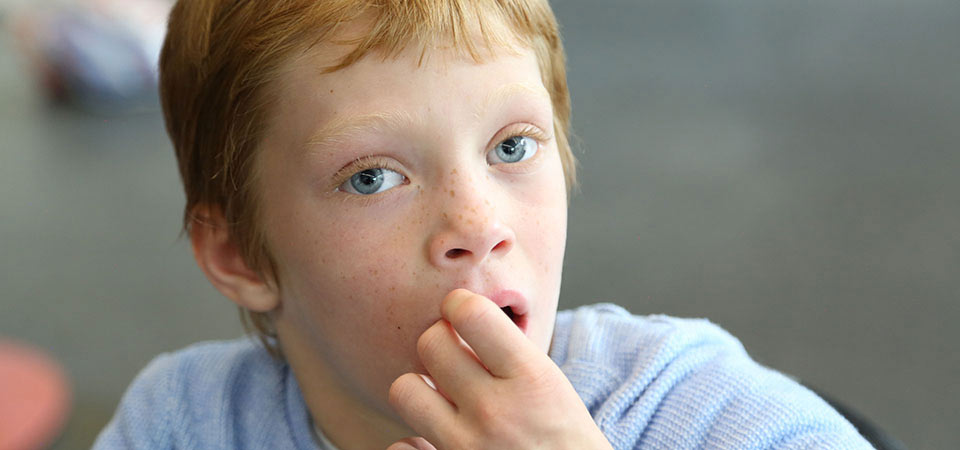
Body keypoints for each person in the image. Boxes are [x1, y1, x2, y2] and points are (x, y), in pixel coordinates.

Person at [93, 1, 873, 448]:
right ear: (239, 254)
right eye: (372, 177)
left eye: (512, 146)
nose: (477, 222)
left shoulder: (688, 408)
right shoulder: (186, 423)